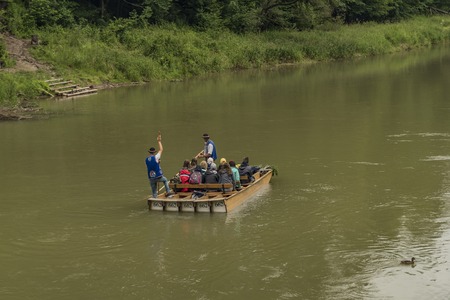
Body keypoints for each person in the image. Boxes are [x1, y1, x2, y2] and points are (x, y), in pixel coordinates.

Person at [145, 132, 173, 198]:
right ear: (154, 152)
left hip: (151, 177)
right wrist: (159, 141)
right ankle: (168, 192)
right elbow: (161, 149)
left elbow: (151, 165)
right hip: (158, 176)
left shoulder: (146, 159)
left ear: (149, 152)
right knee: (165, 180)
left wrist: (158, 163)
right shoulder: (156, 157)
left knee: (154, 191)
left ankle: (155, 198)